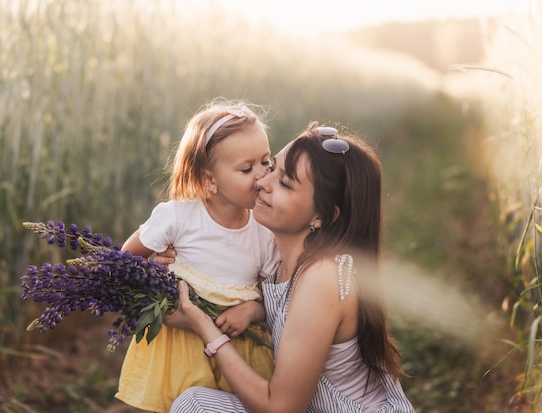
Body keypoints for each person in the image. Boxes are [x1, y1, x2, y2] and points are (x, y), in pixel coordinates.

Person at [165, 123, 415, 412]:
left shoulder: (323, 276)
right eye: (273, 168)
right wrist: (169, 256)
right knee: (196, 402)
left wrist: (204, 327)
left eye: (285, 183)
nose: (262, 181)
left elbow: (280, 408)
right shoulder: (279, 254)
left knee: (194, 406)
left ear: (321, 217)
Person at [114, 98, 281, 412]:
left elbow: (275, 299)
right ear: (209, 179)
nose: (261, 176)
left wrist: (252, 311)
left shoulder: (265, 231)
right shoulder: (177, 218)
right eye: (247, 168)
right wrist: (149, 266)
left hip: (239, 350)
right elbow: (123, 261)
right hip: (181, 346)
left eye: (266, 161)